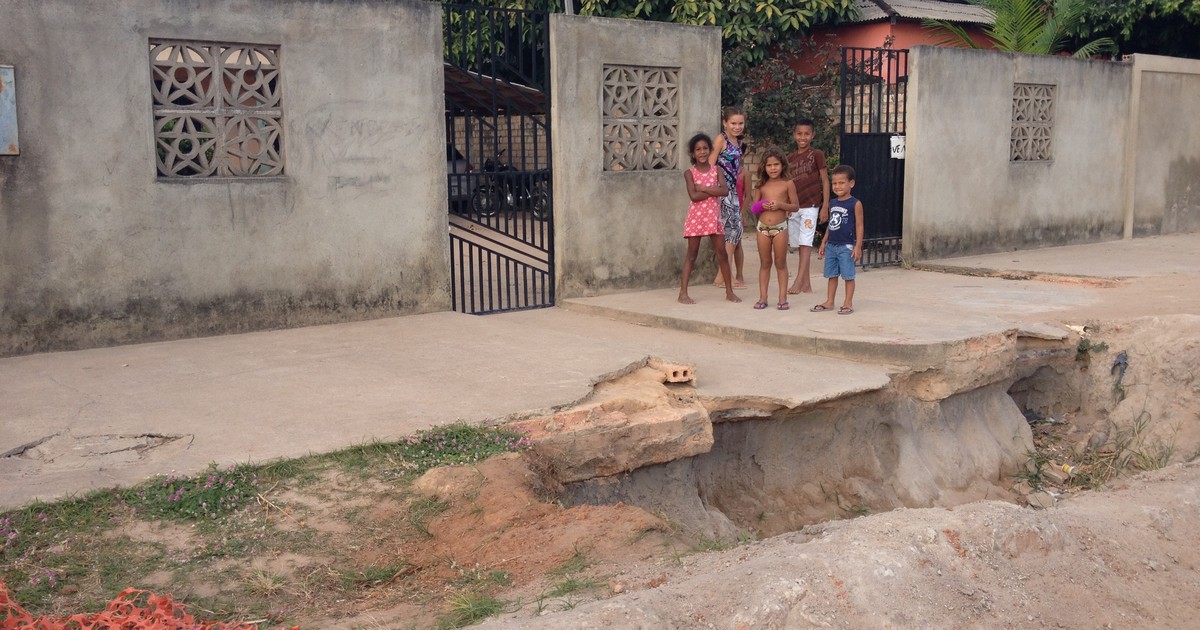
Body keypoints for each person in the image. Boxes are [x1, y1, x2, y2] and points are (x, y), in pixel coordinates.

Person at [680, 133, 740, 304]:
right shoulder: (689, 173)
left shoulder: (717, 170)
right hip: (696, 219)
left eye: (705, 148)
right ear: (693, 153)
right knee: (691, 255)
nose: (702, 152)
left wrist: (703, 188)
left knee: (722, 254)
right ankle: (683, 293)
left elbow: (725, 191)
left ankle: (729, 291)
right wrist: (711, 189)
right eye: (698, 149)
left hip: (714, 218)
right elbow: (693, 196)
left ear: (710, 150)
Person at [750, 148, 800, 310]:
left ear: (782, 165)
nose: (773, 168)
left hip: (780, 228)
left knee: (780, 263)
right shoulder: (761, 185)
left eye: (776, 164)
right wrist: (761, 205)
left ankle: (782, 298)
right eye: (769, 165)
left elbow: (795, 206)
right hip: (762, 229)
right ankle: (763, 297)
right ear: (764, 167)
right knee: (765, 263)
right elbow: (753, 209)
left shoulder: (788, 184)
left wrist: (780, 205)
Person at [811, 165, 864, 315]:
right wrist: (824, 241)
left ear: (851, 183)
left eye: (841, 183)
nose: (837, 186)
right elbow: (831, 224)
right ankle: (829, 301)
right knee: (832, 275)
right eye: (834, 183)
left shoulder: (855, 203)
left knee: (848, 275)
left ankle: (848, 302)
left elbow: (860, 226)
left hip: (846, 246)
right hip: (831, 246)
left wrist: (858, 246)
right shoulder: (833, 203)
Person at [786, 119, 830, 295]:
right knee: (799, 244)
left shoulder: (816, 154)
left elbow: (825, 180)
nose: (802, 137)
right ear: (794, 135)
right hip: (795, 207)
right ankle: (806, 285)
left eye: (806, 134)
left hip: (811, 205)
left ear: (813, 135)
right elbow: (787, 183)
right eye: (799, 134)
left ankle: (798, 282)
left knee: (806, 243)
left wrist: (825, 205)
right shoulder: (789, 158)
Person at [711, 106, 748, 289]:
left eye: (740, 123)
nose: (737, 126)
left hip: (732, 191)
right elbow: (711, 165)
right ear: (725, 123)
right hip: (721, 191)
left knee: (734, 231)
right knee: (732, 230)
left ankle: (724, 274)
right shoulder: (721, 140)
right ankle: (723, 275)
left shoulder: (738, 141)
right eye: (733, 123)